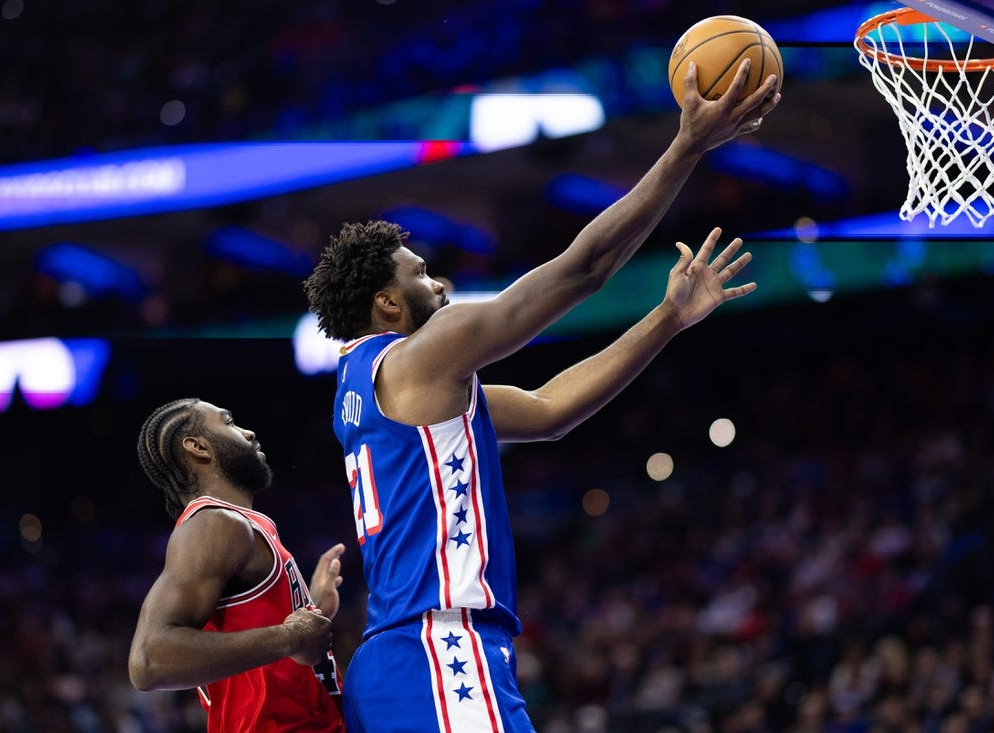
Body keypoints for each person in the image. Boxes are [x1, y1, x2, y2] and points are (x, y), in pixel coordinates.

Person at [302, 59, 780, 732]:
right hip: (439, 654)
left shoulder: (379, 388)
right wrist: (686, 147)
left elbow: (552, 408)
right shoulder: (420, 357)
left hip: (404, 663)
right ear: (386, 302)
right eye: (421, 275)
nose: (439, 286)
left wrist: (669, 317)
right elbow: (582, 269)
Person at [129, 397, 348, 733]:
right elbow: (149, 661)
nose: (248, 433)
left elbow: (263, 660)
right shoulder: (214, 524)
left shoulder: (237, 524)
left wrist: (313, 608)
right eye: (229, 422)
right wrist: (290, 636)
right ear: (198, 447)